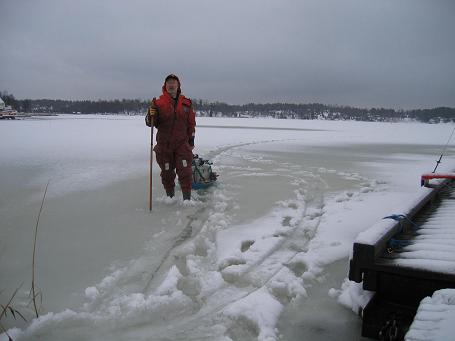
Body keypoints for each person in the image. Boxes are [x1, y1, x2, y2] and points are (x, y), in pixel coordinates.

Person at [145, 74, 196, 200]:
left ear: (178, 86)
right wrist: (150, 115)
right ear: (165, 86)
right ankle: (170, 198)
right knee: (167, 173)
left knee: (185, 172)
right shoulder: (158, 103)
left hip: (182, 144)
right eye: (169, 83)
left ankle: (187, 199)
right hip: (164, 145)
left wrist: (191, 139)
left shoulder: (187, 103)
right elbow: (150, 122)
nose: (171, 85)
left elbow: (191, 123)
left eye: (174, 82)